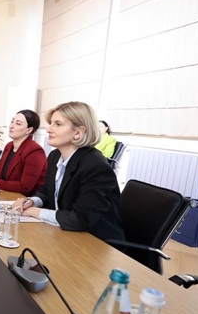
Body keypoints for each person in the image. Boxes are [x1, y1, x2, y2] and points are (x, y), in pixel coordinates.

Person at [14, 101, 124, 241]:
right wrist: (32, 201)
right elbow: (47, 192)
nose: (49, 129)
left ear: (78, 132)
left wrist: (35, 212)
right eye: (51, 123)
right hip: (64, 234)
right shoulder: (55, 156)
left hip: (96, 243)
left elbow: (80, 219)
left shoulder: (96, 166)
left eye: (58, 124)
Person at [0, 110, 47, 196]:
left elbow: (25, 187)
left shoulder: (34, 151)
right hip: (6, 194)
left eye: (18, 124)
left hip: (24, 199)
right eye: (12, 121)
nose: (11, 126)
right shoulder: (9, 146)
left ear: (29, 130)